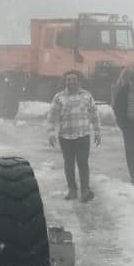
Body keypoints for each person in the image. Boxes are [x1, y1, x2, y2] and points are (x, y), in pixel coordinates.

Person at [47, 71, 99, 202]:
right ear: (65, 82)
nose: (71, 82)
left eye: (73, 79)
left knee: (83, 163)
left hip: (83, 136)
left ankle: (85, 190)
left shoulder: (87, 96)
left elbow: (94, 114)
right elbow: (52, 116)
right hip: (65, 137)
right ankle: (72, 190)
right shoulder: (59, 97)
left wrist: (97, 131)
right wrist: (51, 132)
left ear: (79, 81)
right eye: (68, 79)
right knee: (69, 164)